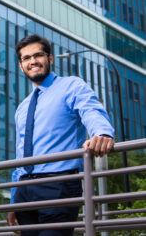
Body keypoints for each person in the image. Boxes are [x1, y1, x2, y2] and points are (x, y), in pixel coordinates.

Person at [7, 34, 115, 236]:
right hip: (24, 190)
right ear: (20, 66)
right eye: (26, 58)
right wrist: (14, 199)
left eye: (38, 55)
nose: (33, 61)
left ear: (50, 58)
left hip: (59, 184)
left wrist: (102, 132)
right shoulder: (22, 108)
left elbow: (91, 110)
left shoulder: (71, 86)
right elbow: (20, 155)